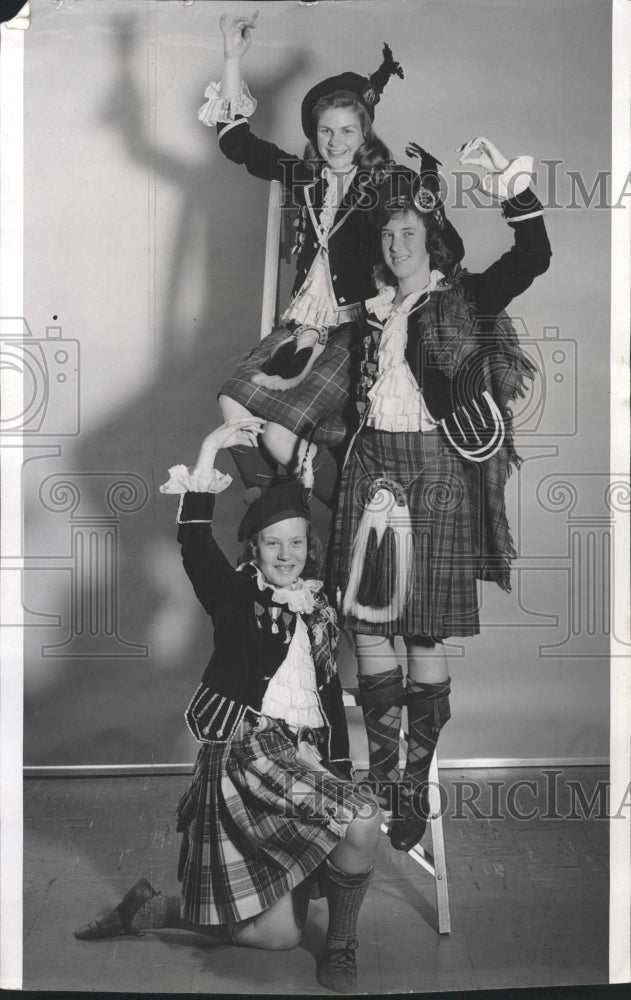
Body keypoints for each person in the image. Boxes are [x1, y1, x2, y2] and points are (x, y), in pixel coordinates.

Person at [74, 417, 380, 995]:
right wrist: (212, 446)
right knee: (359, 823)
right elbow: (192, 537)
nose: (285, 554)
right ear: (254, 548)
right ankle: (331, 944)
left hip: (308, 756)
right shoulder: (234, 594)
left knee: (280, 935)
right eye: (272, 543)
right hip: (249, 756)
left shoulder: (322, 601)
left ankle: (152, 910)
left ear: (308, 545)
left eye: (295, 542)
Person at [327, 137, 552, 851]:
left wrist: (512, 187)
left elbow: (532, 258)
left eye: (409, 233)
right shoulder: (363, 310)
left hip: (434, 471)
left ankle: (414, 786)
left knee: (421, 629)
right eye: (389, 233)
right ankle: (385, 775)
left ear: (431, 240)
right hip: (369, 468)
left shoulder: (464, 300)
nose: (397, 242)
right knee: (366, 624)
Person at [199, 12, 403, 506]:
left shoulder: (388, 184)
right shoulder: (303, 176)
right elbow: (235, 143)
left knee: (279, 438)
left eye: (348, 132)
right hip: (302, 322)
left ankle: (310, 508)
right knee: (231, 399)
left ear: (365, 134)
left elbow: (427, 247)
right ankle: (275, 508)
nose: (336, 143)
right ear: (315, 132)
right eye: (326, 131)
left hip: (356, 328)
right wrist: (232, 57)